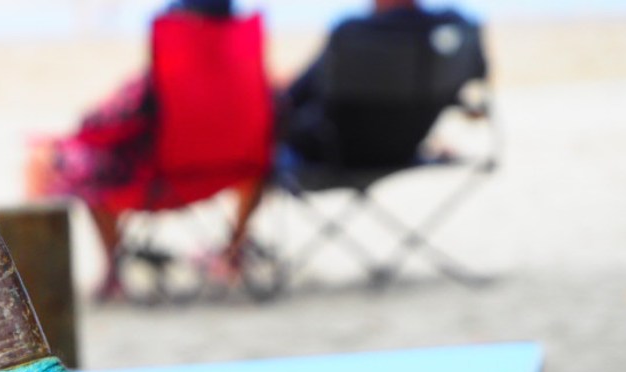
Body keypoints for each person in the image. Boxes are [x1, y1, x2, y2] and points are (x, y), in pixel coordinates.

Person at [27, 0, 266, 301]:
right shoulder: (247, 73)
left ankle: (100, 273)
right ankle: (234, 253)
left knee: (49, 158)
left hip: (160, 179)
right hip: (232, 172)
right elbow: (273, 118)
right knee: (264, 161)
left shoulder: (170, 74)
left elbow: (100, 123)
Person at [280, 0, 487, 169]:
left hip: (335, 156)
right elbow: (475, 86)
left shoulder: (352, 34)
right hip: (404, 150)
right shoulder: (452, 32)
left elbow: (293, 98)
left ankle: (247, 219)